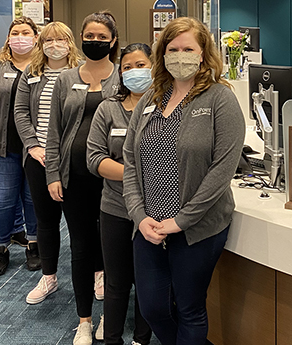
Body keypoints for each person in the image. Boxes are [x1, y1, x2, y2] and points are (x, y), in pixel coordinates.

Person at [122, 17, 245, 345]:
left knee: (190, 308)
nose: (180, 56)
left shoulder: (220, 99)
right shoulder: (150, 99)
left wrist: (182, 220)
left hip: (198, 227)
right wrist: (138, 215)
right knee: (152, 308)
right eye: (172, 49)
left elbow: (223, 169)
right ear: (162, 55)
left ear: (203, 53)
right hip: (148, 225)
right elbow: (131, 161)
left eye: (188, 49)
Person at [45, 11, 120, 345]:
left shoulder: (125, 76)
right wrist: (52, 173)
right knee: (80, 247)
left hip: (113, 180)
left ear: (113, 41)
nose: (94, 42)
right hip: (73, 176)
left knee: (112, 250)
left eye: (101, 37)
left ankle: (109, 317)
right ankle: (84, 321)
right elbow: (54, 131)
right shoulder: (66, 79)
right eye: (89, 37)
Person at [87, 43, 153, 345]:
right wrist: (136, 176)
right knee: (116, 283)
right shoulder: (107, 108)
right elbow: (95, 159)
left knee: (146, 282)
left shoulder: (165, 106)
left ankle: (141, 338)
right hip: (114, 207)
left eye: (141, 65)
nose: (134, 72)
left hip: (153, 211)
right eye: (127, 67)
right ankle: (112, 340)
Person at [14, 22, 81, 304]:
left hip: (73, 160)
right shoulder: (33, 72)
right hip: (38, 158)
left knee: (82, 221)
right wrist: (32, 145)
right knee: (46, 220)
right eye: (49, 39)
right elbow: (19, 111)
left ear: (70, 41)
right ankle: (49, 276)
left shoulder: (81, 72)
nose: (55, 44)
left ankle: (96, 272)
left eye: (61, 39)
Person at [0, 16, 40, 276]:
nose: (20, 37)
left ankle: (34, 244)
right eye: (16, 32)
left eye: (26, 32)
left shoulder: (42, 67)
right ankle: (0, 247)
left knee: (32, 198)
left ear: (36, 37)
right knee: (5, 199)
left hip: (35, 147)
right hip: (4, 147)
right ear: (8, 38)